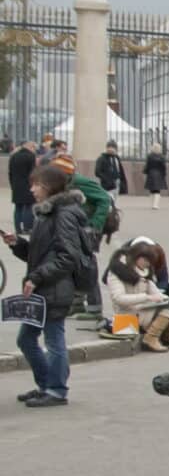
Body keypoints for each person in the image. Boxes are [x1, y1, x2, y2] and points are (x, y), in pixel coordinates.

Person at [6, 164, 90, 406]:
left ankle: (56, 390)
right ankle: (46, 384)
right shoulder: (47, 213)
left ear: (49, 187)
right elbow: (40, 254)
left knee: (54, 341)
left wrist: (37, 277)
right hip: (43, 287)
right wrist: (17, 244)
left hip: (55, 288)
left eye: (36, 185)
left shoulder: (63, 214)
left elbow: (67, 257)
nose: (31, 189)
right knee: (26, 339)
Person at [54, 154, 112, 321]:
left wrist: (95, 225)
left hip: (88, 230)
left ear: (64, 172)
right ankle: (77, 304)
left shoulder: (80, 182)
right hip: (77, 229)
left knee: (87, 267)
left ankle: (95, 308)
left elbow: (104, 199)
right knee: (74, 266)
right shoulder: (65, 183)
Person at [103, 242, 169, 351]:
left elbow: (153, 289)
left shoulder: (143, 271)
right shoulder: (116, 272)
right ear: (137, 257)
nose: (148, 265)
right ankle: (151, 337)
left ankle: (166, 335)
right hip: (128, 315)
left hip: (143, 310)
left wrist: (163, 298)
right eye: (146, 261)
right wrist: (146, 297)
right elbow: (119, 299)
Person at [8, 137, 34, 235]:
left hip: (16, 185)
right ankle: (27, 228)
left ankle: (18, 229)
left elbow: (10, 173)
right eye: (32, 146)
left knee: (18, 207)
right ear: (26, 145)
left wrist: (12, 185)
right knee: (28, 207)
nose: (33, 148)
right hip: (28, 185)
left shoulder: (13, 156)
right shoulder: (31, 156)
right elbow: (32, 173)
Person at [143, 142, 168, 210]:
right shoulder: (162, 157)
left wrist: (145, 172)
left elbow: (147, 165)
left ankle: (152, 204)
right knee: (157, 190)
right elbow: (164, 167)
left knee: (152, 190)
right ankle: (155, 205)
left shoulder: (149, 156)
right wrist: (164, 174)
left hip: (151, 174)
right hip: (159, 174)